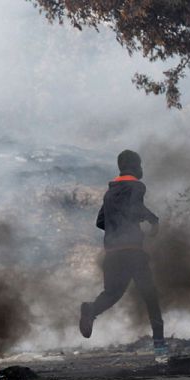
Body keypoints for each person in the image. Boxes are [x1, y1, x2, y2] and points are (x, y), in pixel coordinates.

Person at [79, 150, 166, 357]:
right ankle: (161, 351)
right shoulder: (137, 185)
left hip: (112, 252)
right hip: (133, 253)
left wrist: (116, 228)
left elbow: (100, 221)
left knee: (112, 294)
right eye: (140, 165)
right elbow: (135, 207)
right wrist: (153, 220)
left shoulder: (110, 193)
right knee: (151, 297)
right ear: (136, 166)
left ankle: (91, 310)